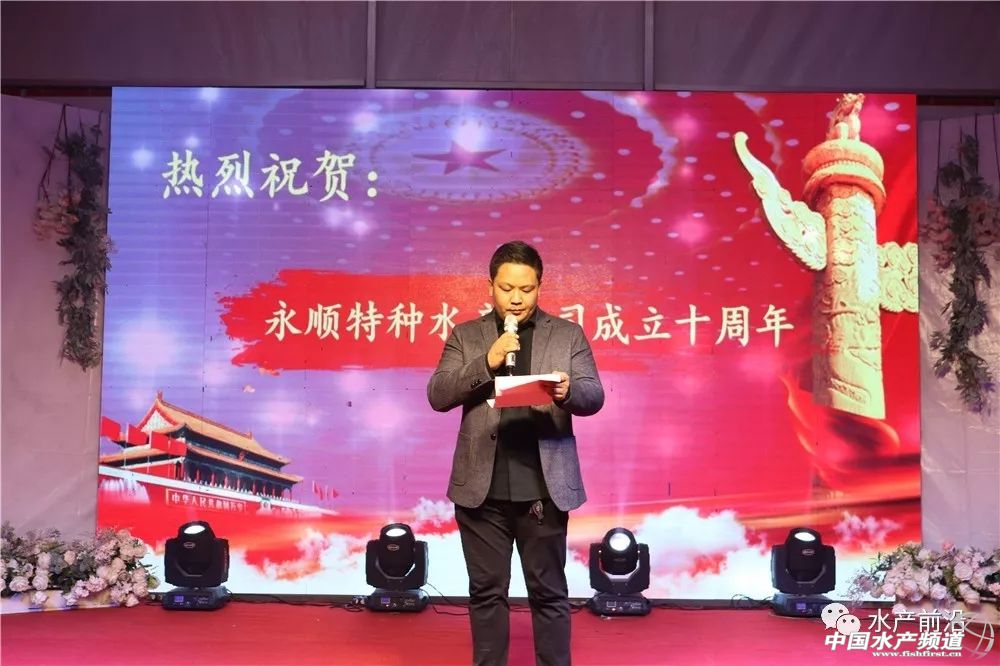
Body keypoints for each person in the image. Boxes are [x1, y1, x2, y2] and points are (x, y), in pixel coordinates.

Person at [427, 240, 604, 666]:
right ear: (490, 286)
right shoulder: (466, 335)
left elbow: (594, 394)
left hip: (543, 489)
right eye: (507, 288)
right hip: (481, 492)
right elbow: (438, 394)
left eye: (527, 288)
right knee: (486, 593)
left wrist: (567, 391)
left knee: (549, 593)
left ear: (540, 286)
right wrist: (485, 363)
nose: (517, 298)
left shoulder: (567, 334)